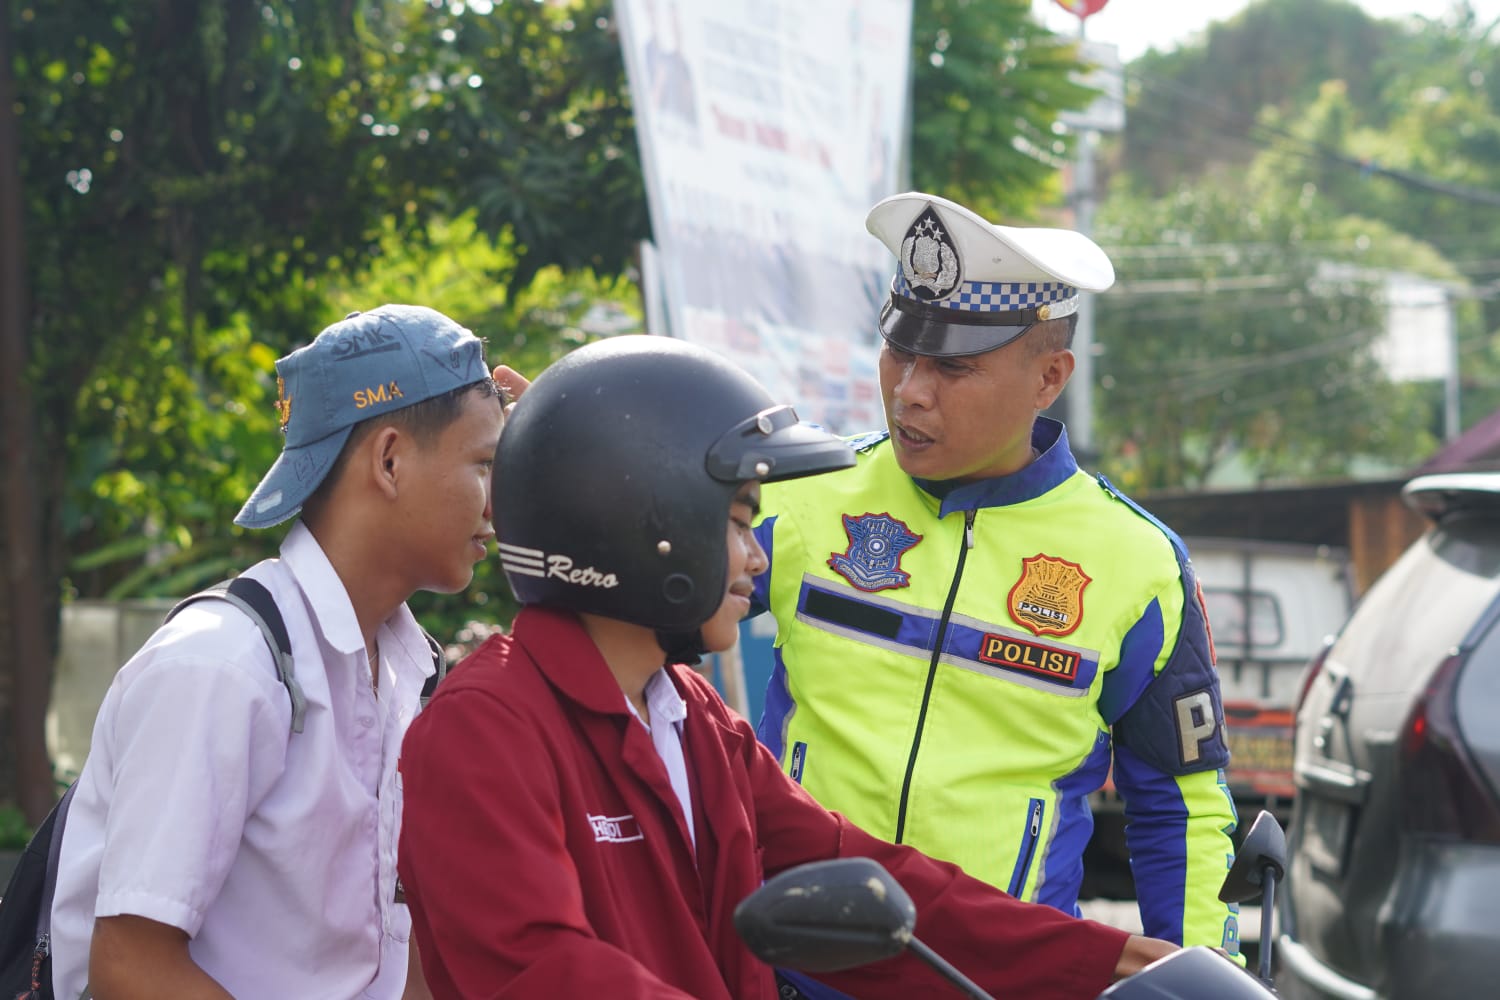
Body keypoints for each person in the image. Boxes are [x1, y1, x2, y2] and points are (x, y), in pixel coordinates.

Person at [395, 334, 1179, 999]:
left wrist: (1112, 963)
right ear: (645, 524)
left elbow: (867, 880)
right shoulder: (486, 730)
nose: (757, 558)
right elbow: (545, 971)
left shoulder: (692, 719)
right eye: (739, 524)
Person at [749, 192, 1240, 996]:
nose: (910, 390)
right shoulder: (801, 494)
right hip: (784, 971)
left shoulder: (1138, 562)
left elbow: (1179, 805)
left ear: (1049, 377)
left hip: (995, 983)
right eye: (899, 350)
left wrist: (1203, 977)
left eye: (952, 367)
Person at [48, 305, 506, 999]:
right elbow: (131, 970)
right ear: (389, 460)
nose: (496, 504)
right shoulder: (222, 666)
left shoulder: (408, 671)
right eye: (484, 464)